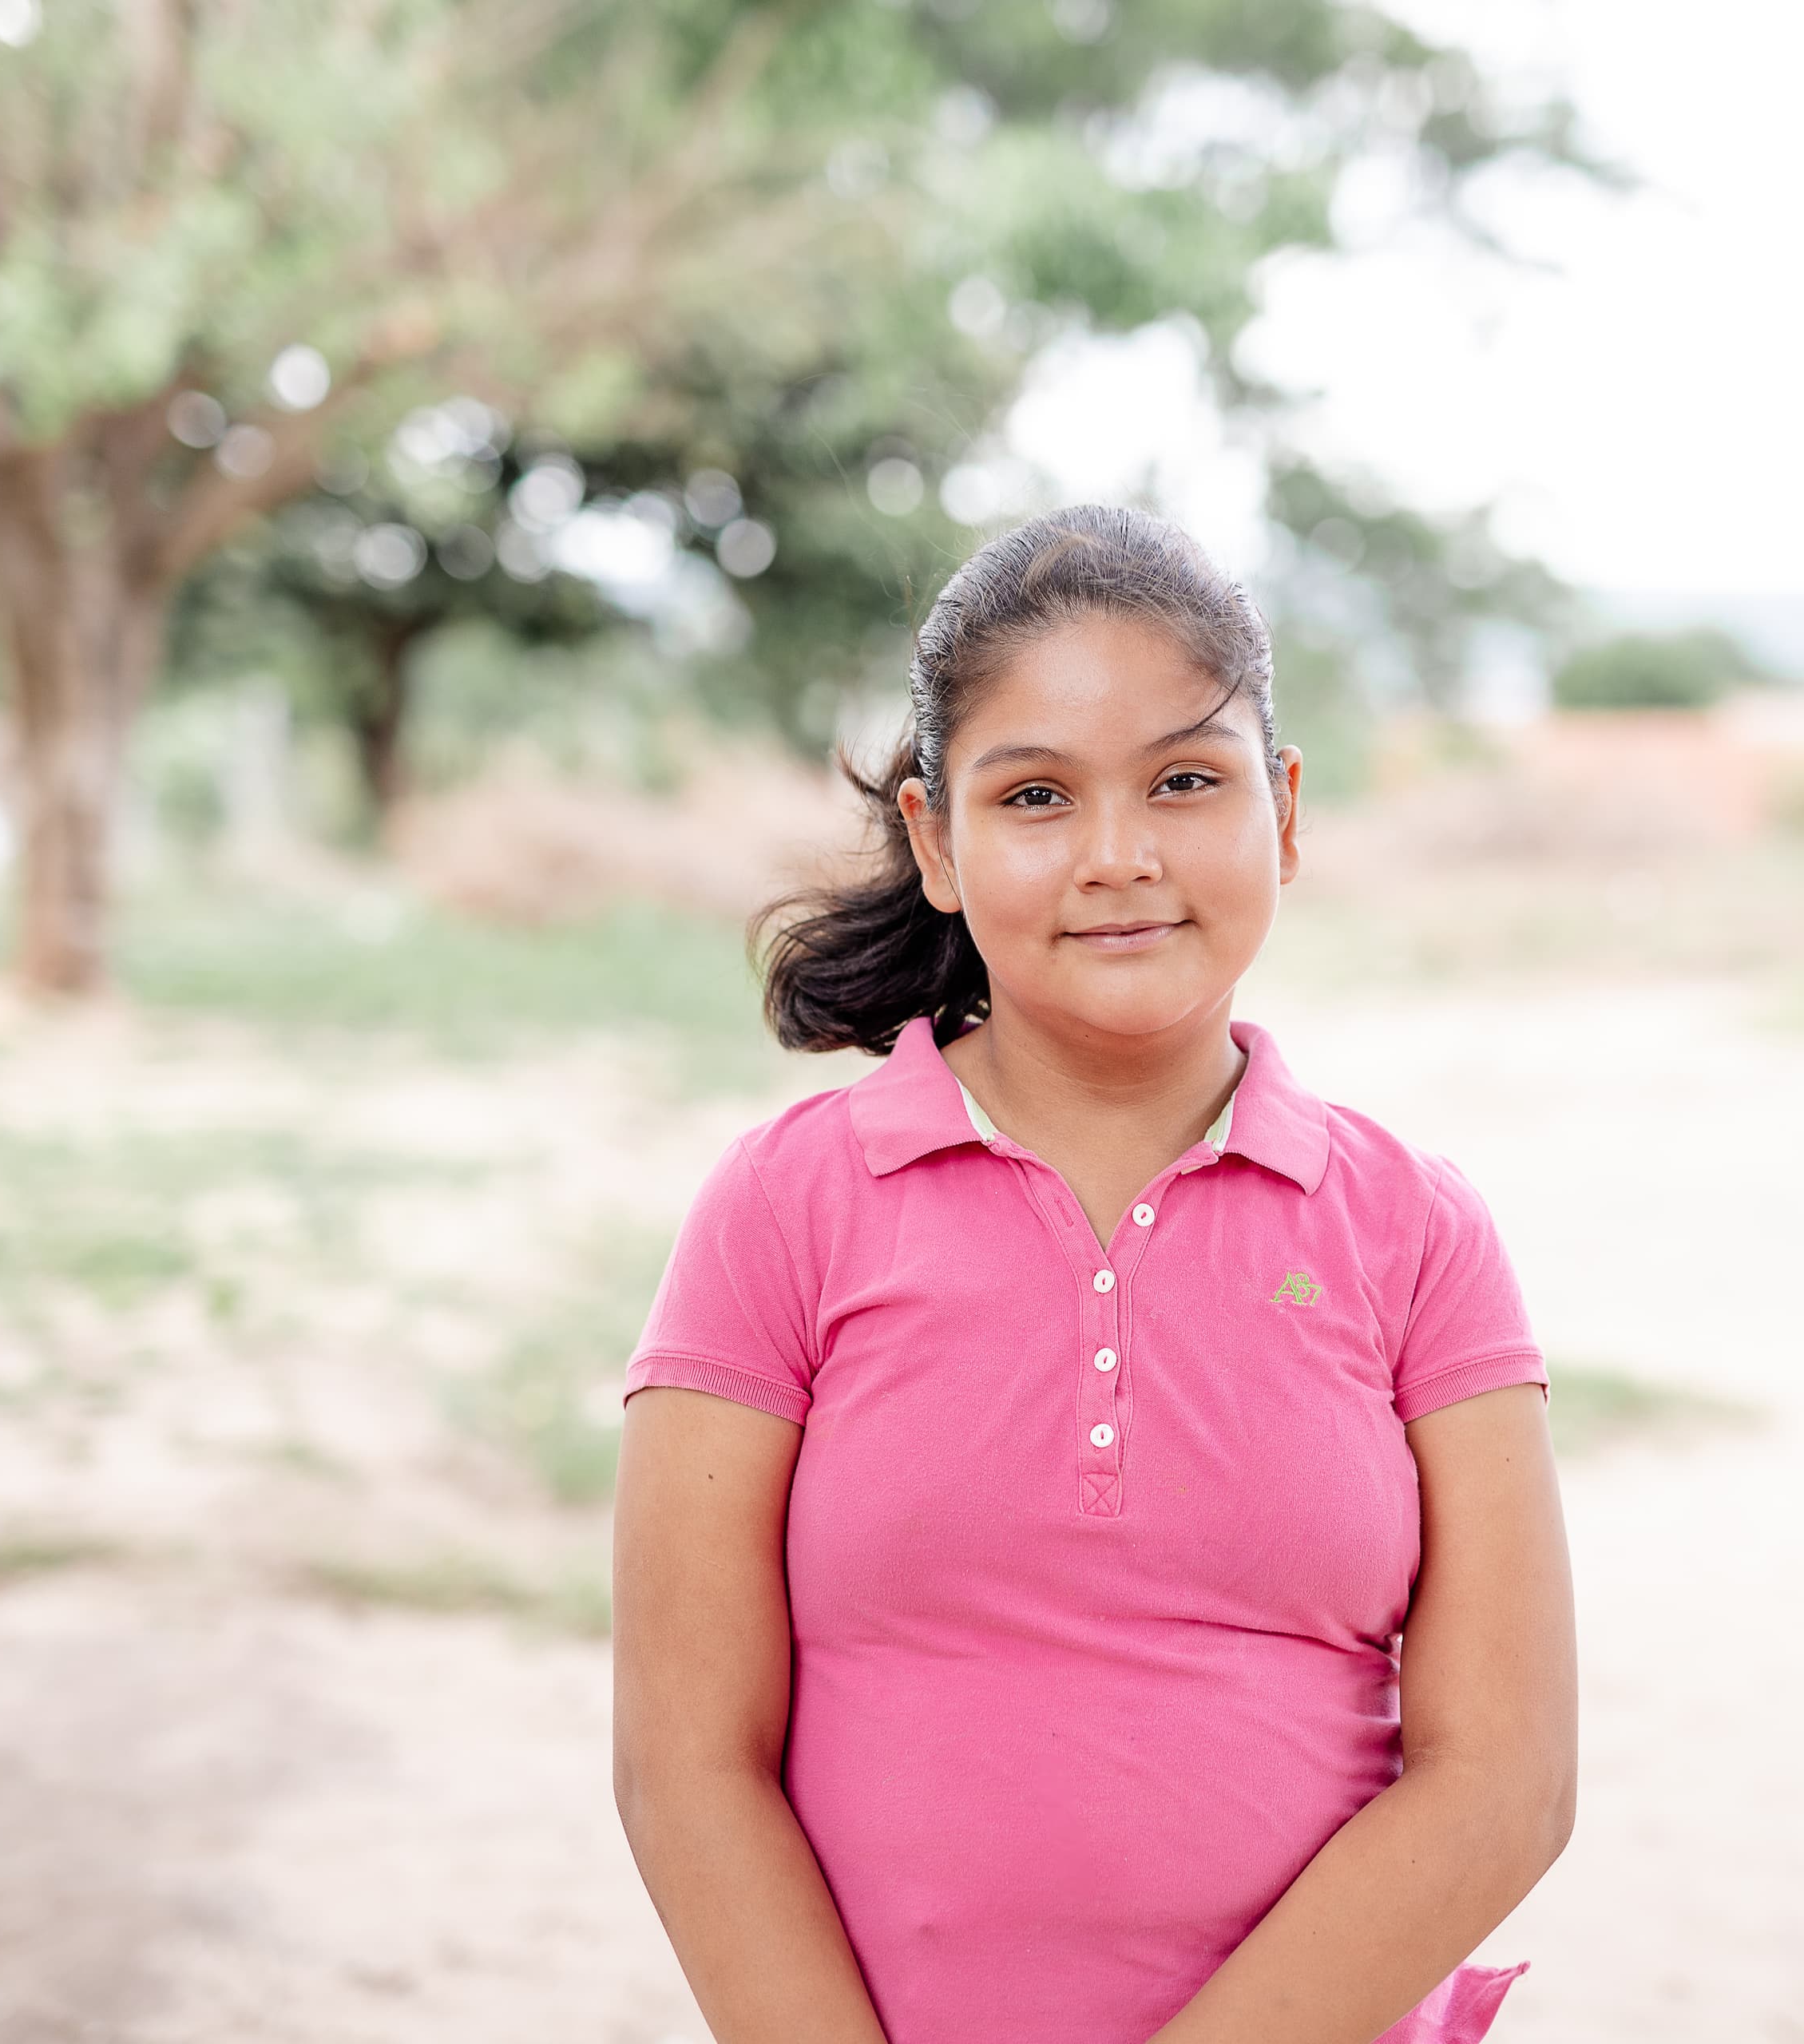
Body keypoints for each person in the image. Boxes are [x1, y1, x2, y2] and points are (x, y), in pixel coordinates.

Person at [609, 504, 1576, 2044]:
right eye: (1037, 796)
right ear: (938, 842)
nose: (1119, 857)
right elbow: (687, 1761)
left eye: (1185, 781)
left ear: (1285, 809)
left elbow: (1506, 1781)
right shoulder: (784, 1213)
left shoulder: (1416, 1234)